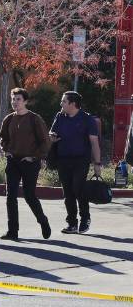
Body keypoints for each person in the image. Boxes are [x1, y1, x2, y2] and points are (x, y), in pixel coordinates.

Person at [0, 87, 51, 240]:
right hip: (13, 161)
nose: (15, 102)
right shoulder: (9, 119)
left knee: (29, 195)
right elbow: (3, 138)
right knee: (10, 196)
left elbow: (45, 142)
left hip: (29, 162)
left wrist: (34, 157)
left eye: (18, 99)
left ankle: (43, 220)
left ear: (25, 101)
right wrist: (5, 150)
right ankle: (12, 231)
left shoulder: (35, 119)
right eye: (13, 99)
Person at [49, 91, 102, 234]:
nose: (61, 104)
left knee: (78, 189)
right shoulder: (60, 117)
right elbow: (52, 133)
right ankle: (71, 223)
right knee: (68, 192)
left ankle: (85, 219)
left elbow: (94, 143)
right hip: (63, 159)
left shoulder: (87, 119)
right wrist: (52, 137)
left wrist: (97, 164)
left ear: (72, 104)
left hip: (81, 160)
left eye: (63, 101)